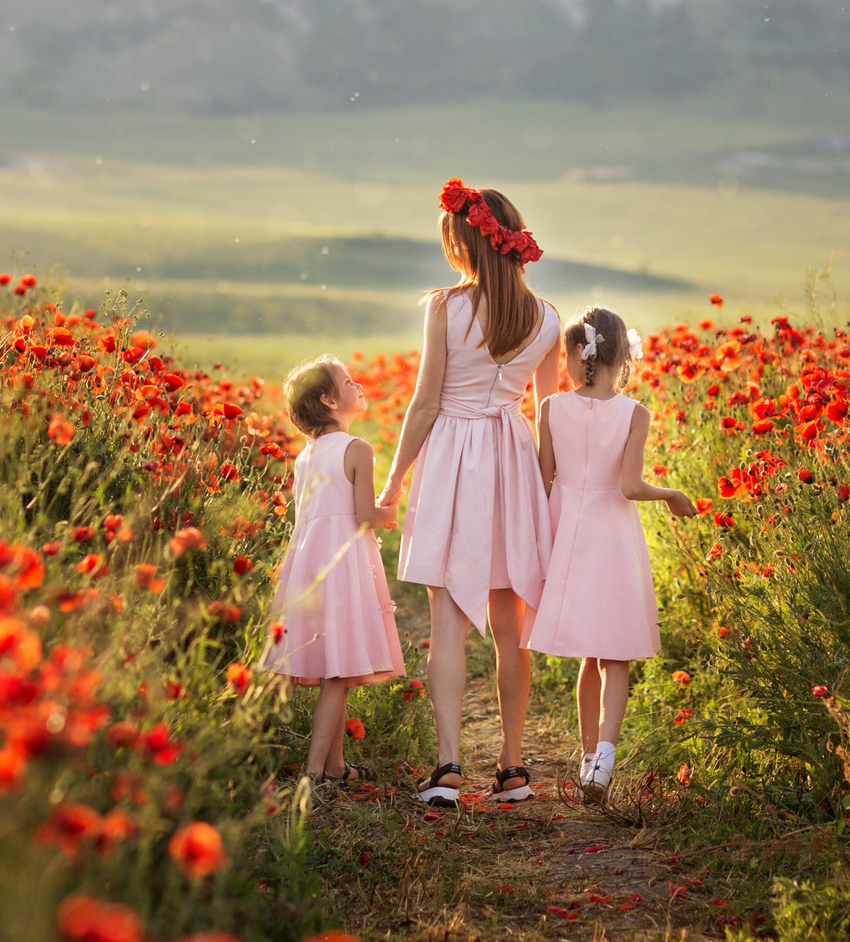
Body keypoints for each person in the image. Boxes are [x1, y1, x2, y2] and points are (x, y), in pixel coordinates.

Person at [377, 179, 561, 808]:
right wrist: (544, 492)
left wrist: (393, 482)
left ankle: (449, 766)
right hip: (512, 456)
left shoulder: (444, 308)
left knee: (447, 621)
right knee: (510, 624)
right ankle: (513, 767)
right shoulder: (548, 318)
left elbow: (425, 403)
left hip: (453, 457)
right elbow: (548, 416)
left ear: (464, 242)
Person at [526, 307, 695, 805]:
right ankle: (603, 760)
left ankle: (586, 758)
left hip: (568, 533)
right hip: (613, 535)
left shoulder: (551, 408)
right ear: (622, 357)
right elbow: (630, 486)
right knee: (614, 654)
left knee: (588, 650)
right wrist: (671, 494)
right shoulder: (634, 413)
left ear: (577, 355)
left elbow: (544, 479)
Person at [265, 356, 404, 786]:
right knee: (338, 675)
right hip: (343, 567)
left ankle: (336, 767)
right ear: (328, 400)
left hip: (308, 566)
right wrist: (393, 510)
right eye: (348, 381)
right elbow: (364, 516)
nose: (358, 385)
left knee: (336, 667)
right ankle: (314, 775)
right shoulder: (357, 448)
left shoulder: (304, 457)